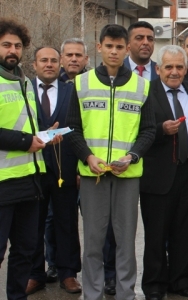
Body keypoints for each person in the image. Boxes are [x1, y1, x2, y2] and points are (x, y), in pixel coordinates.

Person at [66, 24, 155, 300]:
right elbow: (73, 128)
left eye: (119, 47)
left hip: (127, 175)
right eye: (109, 46)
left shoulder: (142, 85)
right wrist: (88, 156)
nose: (114, 51)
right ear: (99, 47)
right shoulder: (81, 83)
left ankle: (126, 293)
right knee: (93, 240)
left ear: (126, 48)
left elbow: (149, 129)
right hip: (93, 174)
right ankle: (91, 294)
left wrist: (132, 156)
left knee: (125, 241)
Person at [139, 45, 188, 300]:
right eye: (169, 67)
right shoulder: (146, 93)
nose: (174, 72)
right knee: (156, 233)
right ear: (158, 69)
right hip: (157, 174)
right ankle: (155, 284)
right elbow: (137, 131)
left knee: (185, 230)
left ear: (186, 69)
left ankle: (180, 281)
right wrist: (159, 130)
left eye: (179, 67)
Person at [26, 46, 82, 295]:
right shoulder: (24, 91)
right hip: (33, 168)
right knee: (33, 224)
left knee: (66, 222)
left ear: (60, 63)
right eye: (43, 61)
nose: (49, 64)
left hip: (66, 167)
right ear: (34, 64)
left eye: (53, 61)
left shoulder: (73, 91)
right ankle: (35, 273)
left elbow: (80, 128)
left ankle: (68, 273)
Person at [0, 17, 49, 300]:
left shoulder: (25, 82)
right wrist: (25, 142)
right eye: (6, 44)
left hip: (30, 182)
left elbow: (25, 125)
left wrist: (43, 135)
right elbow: (18, 135)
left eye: (17, 45)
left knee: (25, 251)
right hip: (3, 182)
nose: (13, 50)